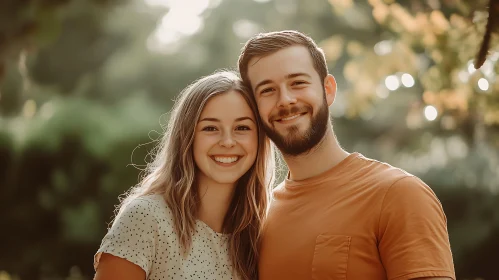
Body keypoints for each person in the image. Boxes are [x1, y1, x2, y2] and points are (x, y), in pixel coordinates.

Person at [238, 30, 456, 280]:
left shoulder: (398, 195)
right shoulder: (261, 217)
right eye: (267, 90)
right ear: (254, 107)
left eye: (298, 82)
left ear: (328, 89)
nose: (285, 100)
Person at [93, 70, 275, 280]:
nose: (227, 141)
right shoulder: (146, 218)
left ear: (260, 140)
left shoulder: (264, 231)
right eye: (210, 128)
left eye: (242, 127)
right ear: (187, 137)